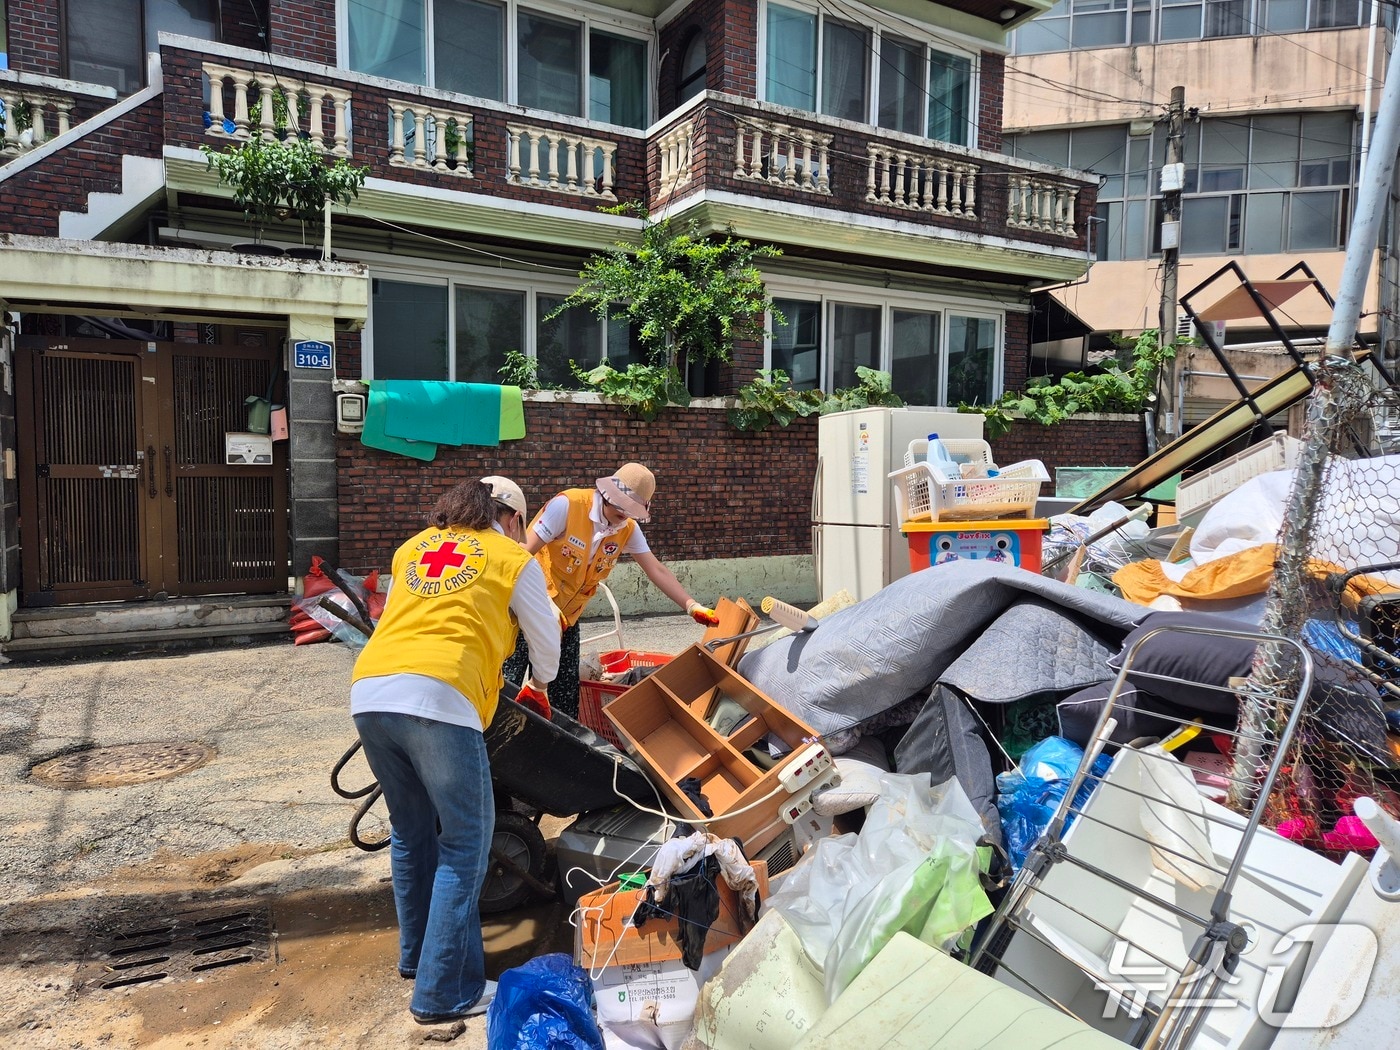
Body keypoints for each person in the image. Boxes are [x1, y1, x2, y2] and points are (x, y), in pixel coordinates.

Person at [349, 476, 560, 1025]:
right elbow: (547, 642)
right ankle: (444, 994)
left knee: (411, 831)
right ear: (511, 519)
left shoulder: (414, 546)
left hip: (371, 689)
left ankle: (418, 959)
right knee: (466, 843)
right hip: (441, 696)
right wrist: (539, 681)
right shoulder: (512, 557)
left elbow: (390, 618)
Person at [503, 462, 718, 720]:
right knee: (508, 683)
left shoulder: (626, 529)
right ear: (607, 494)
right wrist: (543, 604)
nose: (625, 516)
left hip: (567, 618)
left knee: (564, 696)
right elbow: (522, 556)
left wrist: (691, 605)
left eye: (632, 511)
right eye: (621, 508)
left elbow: (655, 569)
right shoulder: (568, 506)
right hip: (530, 610)